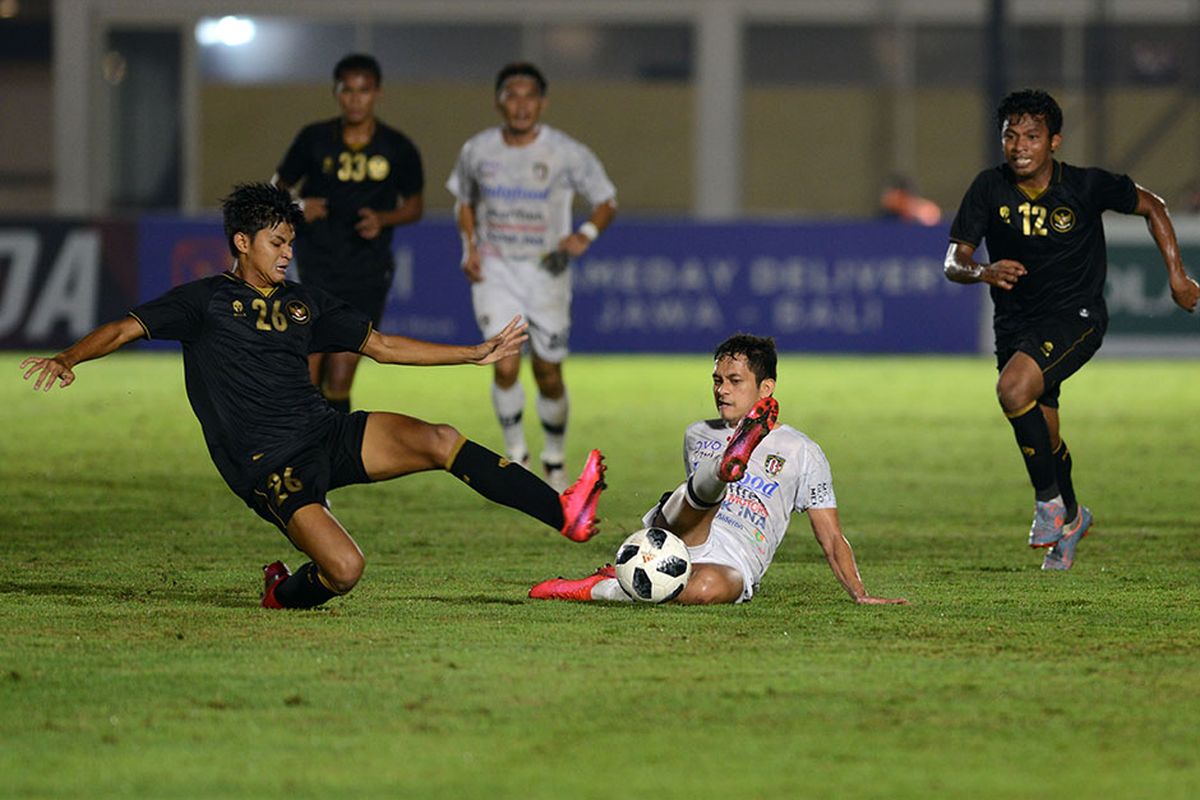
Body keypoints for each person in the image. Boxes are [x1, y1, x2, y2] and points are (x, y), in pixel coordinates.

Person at [20, 182, 606, 610]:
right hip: (268, 465)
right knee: (346, 570)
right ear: (241, 242)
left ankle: (563, 513)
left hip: (324, 432)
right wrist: (69, 357)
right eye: (276, 242)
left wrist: (474, 353)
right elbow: (125, 327)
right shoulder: (201, 302)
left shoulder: (304, 302)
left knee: (441, 440)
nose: (286, 252)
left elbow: (381, 346)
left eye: (290, 242)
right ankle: (284, 593)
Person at [944, 88, 1199, 570]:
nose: (1020, 146)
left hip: (1076, 318)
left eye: (1032, 136)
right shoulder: (988, 187)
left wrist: (1177, 275)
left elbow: (1155, 206)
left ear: (1054, 141)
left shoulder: (1084, 186)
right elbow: (953, 262)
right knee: (1047, 434)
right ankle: (1075, 517)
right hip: (1014, 324)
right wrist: (984, 271)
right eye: (1011, 135)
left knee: (1011, 388)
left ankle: (1048, 506)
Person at [529, 334, 906, 606]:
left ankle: (601, 586)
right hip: (680, 529)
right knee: (703, 495)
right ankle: (723, 471)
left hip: (737, 553)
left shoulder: (802, 451)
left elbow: (831, 536)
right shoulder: (697, 433)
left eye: (734, 381)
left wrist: (860, 593)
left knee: (705, 591)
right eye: (717, 380)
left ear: (766, 388)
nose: (722, 390)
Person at [447, 62, 618, 492]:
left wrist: (586, 233)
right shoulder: (478, 150)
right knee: (504, 364)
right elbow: (464, 200)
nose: (520, 105)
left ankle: (554, 460)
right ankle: (518, 458)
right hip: (496, 270)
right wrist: (469, 247)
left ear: (541, 103)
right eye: (512, 95)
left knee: (548, 372)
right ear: (499, 101)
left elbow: (606, 200)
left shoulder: (564, 151)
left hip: (547, 274)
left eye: (529, 97)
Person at [273, 53, 424, 414]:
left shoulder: (397, 147)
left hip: (366, 272)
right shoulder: (314, 139)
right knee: (309, 369)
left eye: (364, 90)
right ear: (336, 93)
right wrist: (298, 206)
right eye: (348, 90)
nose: (356, 99)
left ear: (378, 94)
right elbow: (277, 186)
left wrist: (384, 219)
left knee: (341, 372)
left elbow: (415, 205)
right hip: (316, 267)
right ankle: (305, 456)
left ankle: (333, 457)